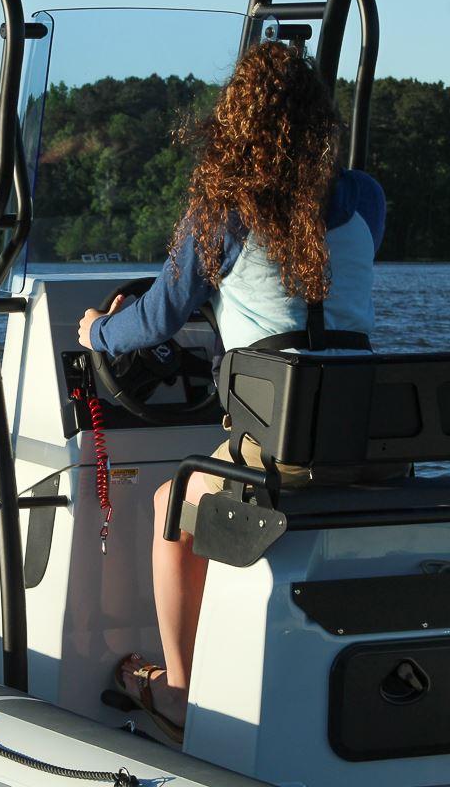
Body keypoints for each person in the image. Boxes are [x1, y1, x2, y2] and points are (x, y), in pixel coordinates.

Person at [75, 41, 389, 743]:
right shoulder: (365, 198)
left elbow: (156, 318)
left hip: (280, 451)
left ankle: (179, 692)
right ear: (319, 122)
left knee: (170, 505)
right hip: (366, 444)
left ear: (236, 122)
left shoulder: (224, 211)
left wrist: (98, 331)